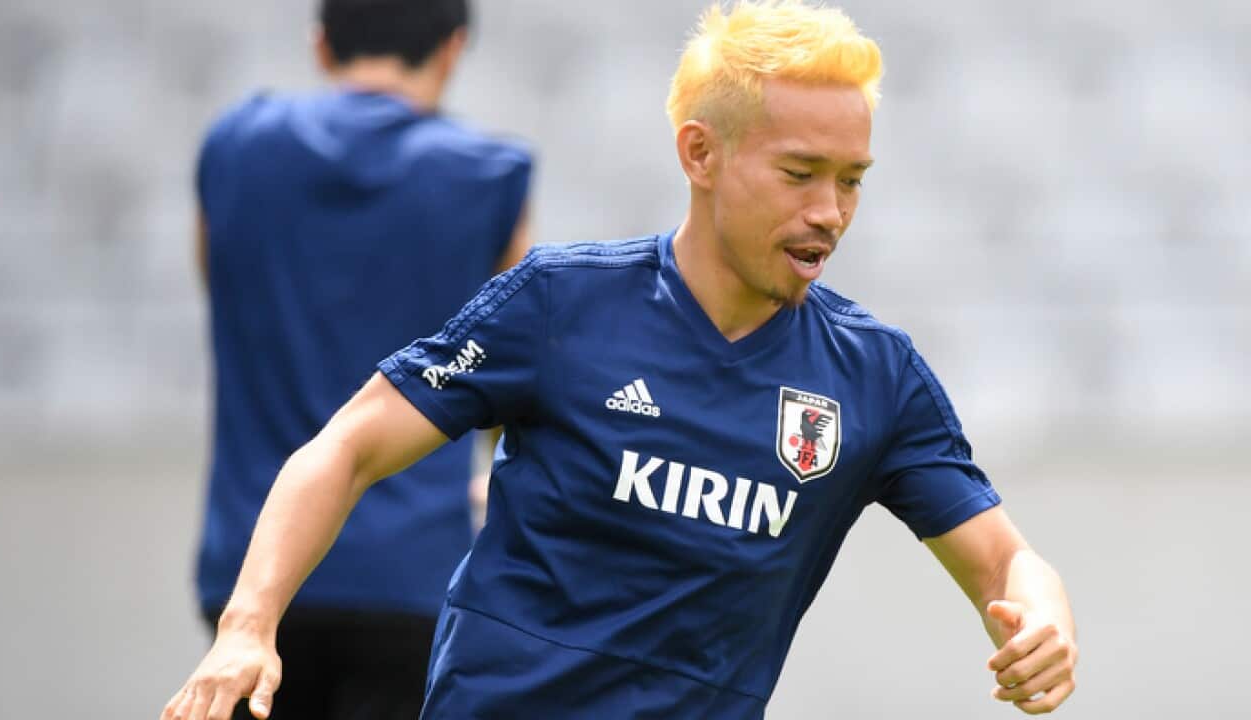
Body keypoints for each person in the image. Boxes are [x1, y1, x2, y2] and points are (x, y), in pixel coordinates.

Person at [163, 2, 1078, 719]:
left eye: (852, 181)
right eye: (801, 175)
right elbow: (348, 446)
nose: (831, 212)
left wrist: (1045, 616)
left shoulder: (874, 377)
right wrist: (248, 626)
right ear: (700, 153)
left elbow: (1005, 560)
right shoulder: (561, 305)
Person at [188, 0, 531, 717]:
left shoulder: (232, 147)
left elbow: (215, 283)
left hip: (254, 568)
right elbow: (517, 361)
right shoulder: (488, 176)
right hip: (412, 569)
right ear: (452, 48)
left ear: (320, 45)